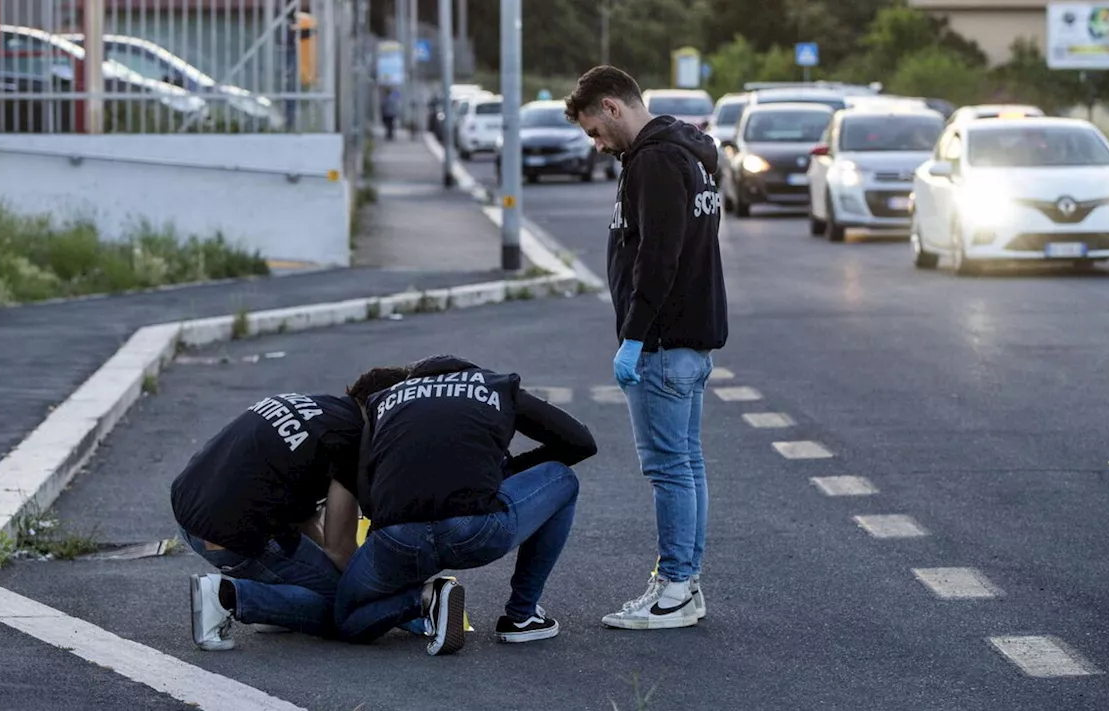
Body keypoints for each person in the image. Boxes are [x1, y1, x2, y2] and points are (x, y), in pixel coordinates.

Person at [564, 66, 728, 630]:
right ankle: (685, 583)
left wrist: (633, 338)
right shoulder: (688, 153)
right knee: (687, 465)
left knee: (669, 470)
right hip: (689, 338)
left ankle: (675, 590)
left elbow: (659, 258)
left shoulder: (655, 161)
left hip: (662, 342)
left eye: (594, 131)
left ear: (612, 107)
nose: (598, 144)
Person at [335, 355, 597, 656]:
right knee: (562, 478)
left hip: (397, 538)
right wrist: (506, 473)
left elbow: (368, 493)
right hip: (475, 531)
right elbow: (581, 443)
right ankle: (522, 616)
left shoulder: (382, 400)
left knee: (346, 618)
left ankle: (426, 599)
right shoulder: (498, 386)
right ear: (470, 372)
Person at [173, 368, 409, 651]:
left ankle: (276, 603)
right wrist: (386, 595)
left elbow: (305, 518)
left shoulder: (317, 408)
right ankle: (229, 597)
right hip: (230, 533)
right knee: (348, 611)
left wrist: (320, 568)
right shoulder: (352, 441)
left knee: (324, 579)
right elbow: (340, 549)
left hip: (190, 513)